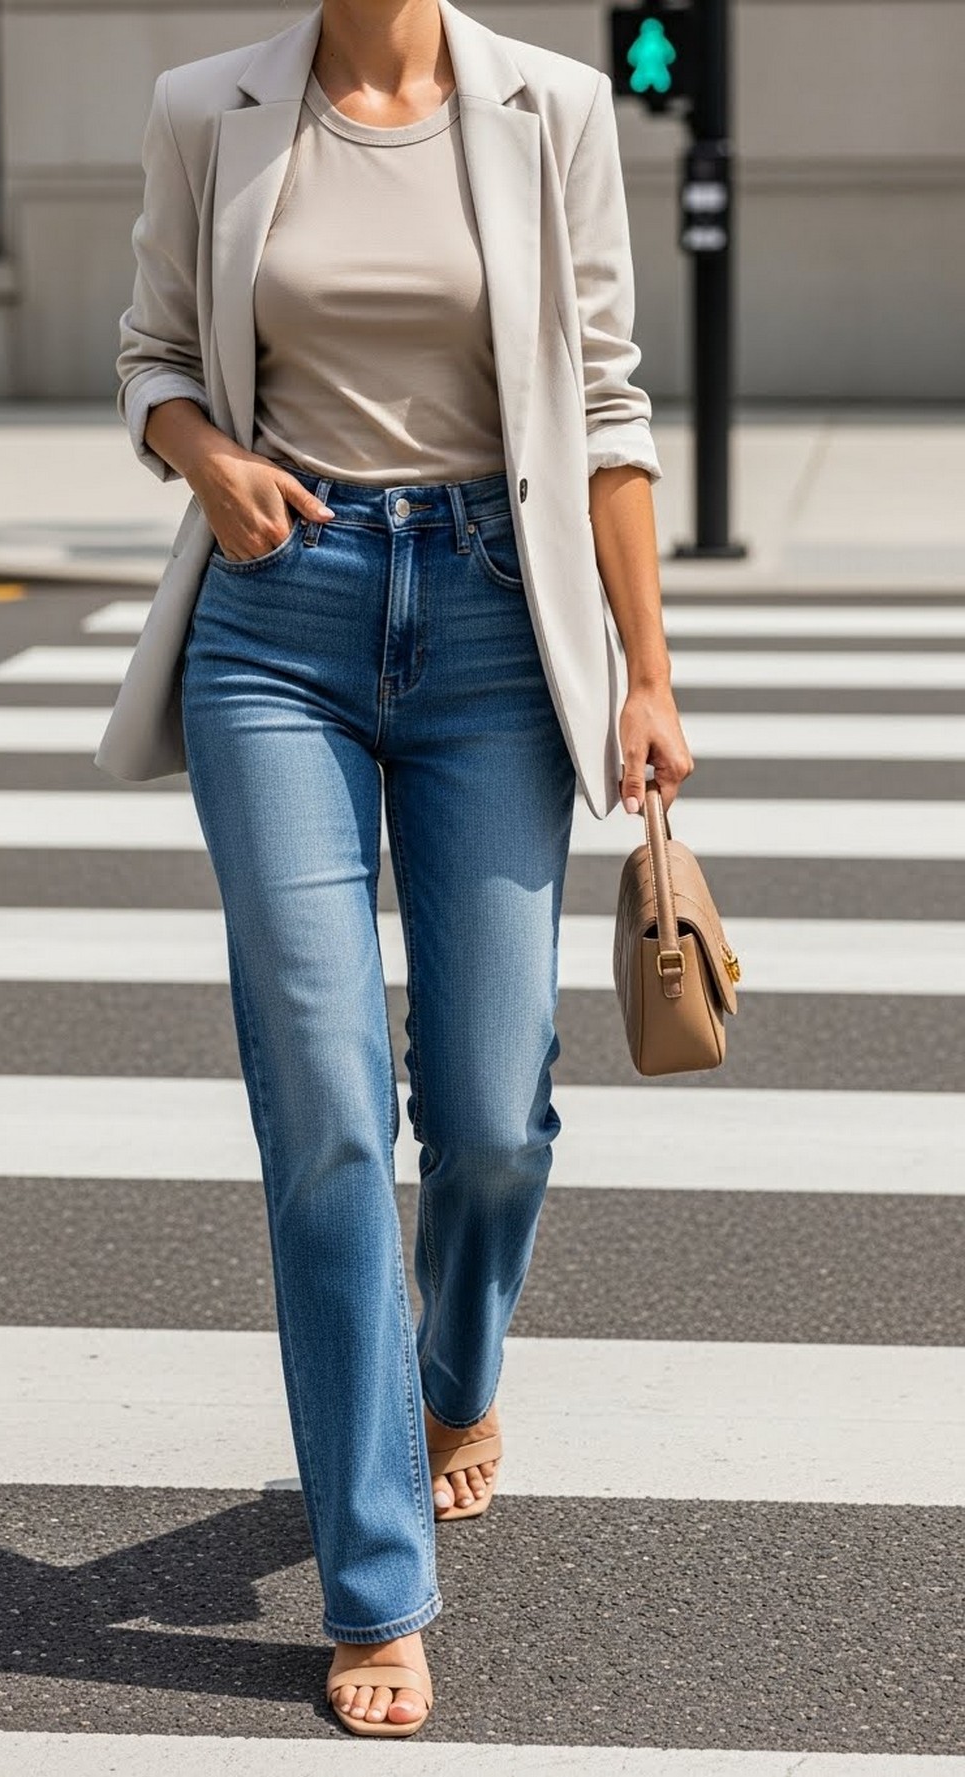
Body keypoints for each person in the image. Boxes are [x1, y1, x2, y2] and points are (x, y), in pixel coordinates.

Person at [114, 0, 693, 1739]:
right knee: (328, 1102)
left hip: (497, 631)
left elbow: (603, 395)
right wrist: (208, 457)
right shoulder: (205, 107)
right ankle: (376, 1577)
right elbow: (151, 352)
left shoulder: (553, 104)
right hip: (275, 626)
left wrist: (648, 673)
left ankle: (456, 1375)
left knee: (495, 1105)